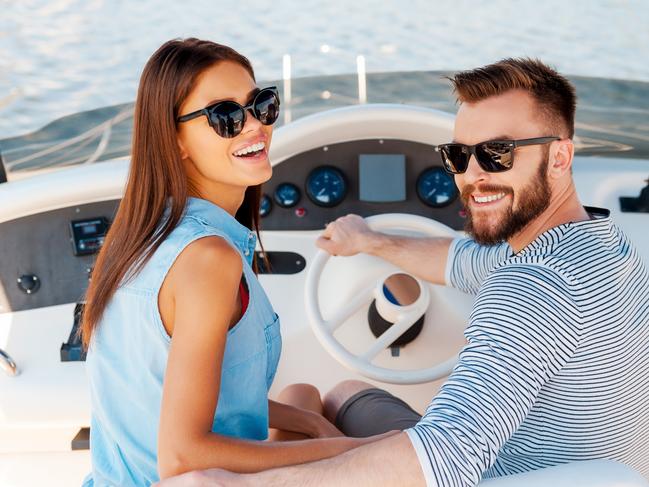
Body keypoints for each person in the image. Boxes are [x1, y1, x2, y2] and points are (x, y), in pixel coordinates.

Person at [155, 58, 649, 486]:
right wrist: (370, 242)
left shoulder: (532, 287)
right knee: (344, 392)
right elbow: (460, 261)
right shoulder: (604, 246)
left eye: (497, 154)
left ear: (559, 156)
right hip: (588, 470)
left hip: (492, 475)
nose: (473, 176)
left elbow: (442, 461)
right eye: (459, 156)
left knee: (304, 401)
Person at [80, 38, 390, 487]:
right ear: (176, 140)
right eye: (225, 116)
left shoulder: (139, 234)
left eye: (260, 105)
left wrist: (315, 428)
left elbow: (169, 393)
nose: (254, 127)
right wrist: (355, 450)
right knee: (381, 432)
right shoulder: (208, 258)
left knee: (304, 399)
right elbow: (183, 459)